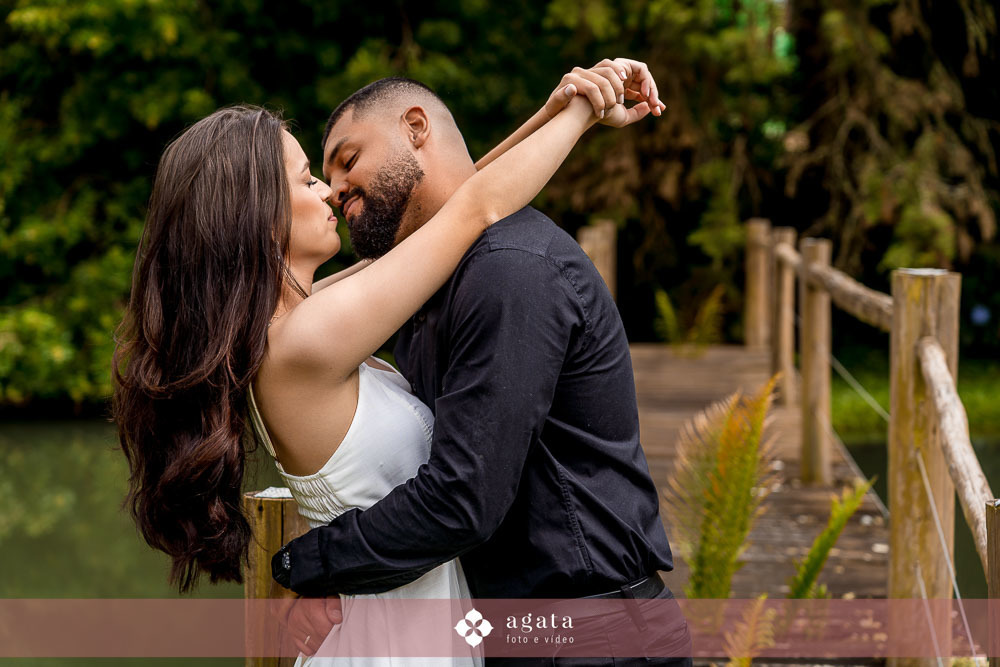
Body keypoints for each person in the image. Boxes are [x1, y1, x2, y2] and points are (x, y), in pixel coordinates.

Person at [112, 60, 659, 666]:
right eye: (307, 180)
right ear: (256, 214)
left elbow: (453, 205)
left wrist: (550, 111)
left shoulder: (294, 325)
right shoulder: (308, 339)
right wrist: (582, 111)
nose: (329, 191)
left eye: (331, 171)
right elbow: (473, 210)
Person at [270, 60, 691, 667]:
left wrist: (311, 565)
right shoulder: (422, 289)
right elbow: (471, 200)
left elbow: (461, 500)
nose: (334, 188)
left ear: (416, 127)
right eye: (320, 175)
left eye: (347, 159)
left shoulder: (507, 270)